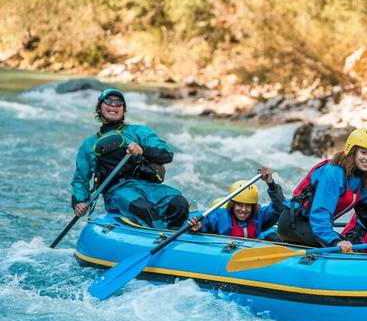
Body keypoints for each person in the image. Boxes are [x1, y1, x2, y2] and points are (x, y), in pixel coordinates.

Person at [70, 88, 189, 229]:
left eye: (118, 102)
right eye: (108, 101)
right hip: (117, 191)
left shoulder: (139, 132)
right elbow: (80, 179)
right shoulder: (90, 144)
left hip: (148, 186)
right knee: (143, 209)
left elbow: (167, 154)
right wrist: (80, 201)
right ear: (99, 108)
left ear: (123, 109)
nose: (113, 105)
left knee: (179, 204)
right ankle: (158, 235)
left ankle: (173, 239)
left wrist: (142, 150)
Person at [187, 167, 285, 239]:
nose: (243, 210)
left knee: (274, 238)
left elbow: (281, 207)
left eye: (248, 206)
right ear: (232, 205)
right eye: (240, 205)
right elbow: (196, 224)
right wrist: (197, 227)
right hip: (224, 253)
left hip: (250, 253)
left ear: (253, 207)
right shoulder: (219, 215)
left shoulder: (258, 215)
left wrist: (271, 184)